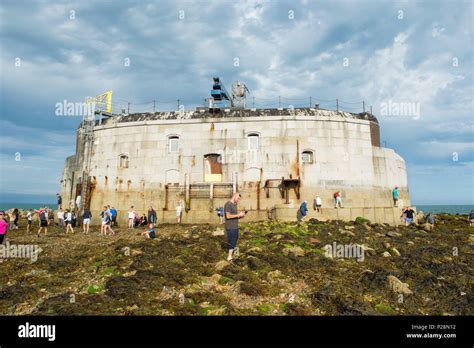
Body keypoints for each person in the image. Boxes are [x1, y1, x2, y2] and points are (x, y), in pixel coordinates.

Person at [224, 192, 246, 262]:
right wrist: (238, 215)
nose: (238, 200)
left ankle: (234, 254)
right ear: (234, 196)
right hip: (230, 227)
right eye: (238, 198)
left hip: (235, 226)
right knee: (232, 241)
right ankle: (229, 257)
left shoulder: (234, 205)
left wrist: (240, 216)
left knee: (235, 239)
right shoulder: (228, 204)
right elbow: (228, 216)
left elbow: (234, 217)